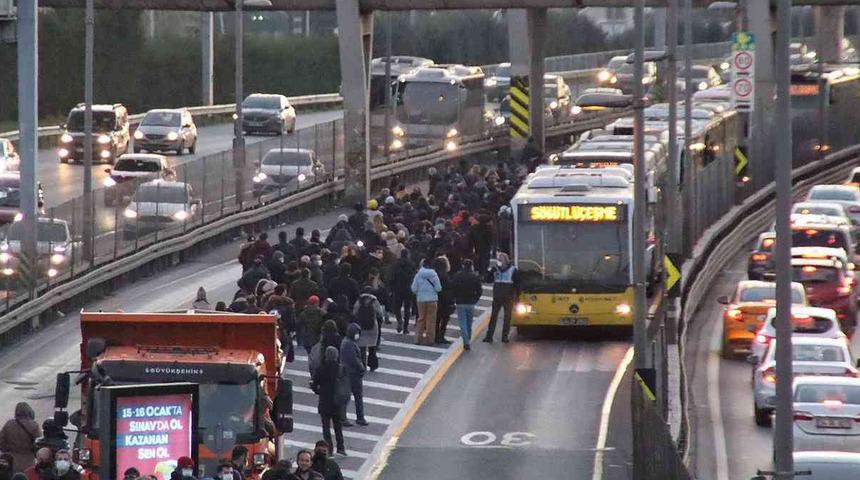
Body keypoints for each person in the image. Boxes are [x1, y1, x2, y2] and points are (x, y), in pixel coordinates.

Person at [311, 347, 346, 457]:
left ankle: (329, 449)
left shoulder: (321, 369)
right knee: (338, 426)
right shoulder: (340, 369)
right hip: (337, 402)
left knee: (326, 428)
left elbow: (314, 384)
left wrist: (319, 391)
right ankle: (341, 448)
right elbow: (345, 384)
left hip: (324, 401)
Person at [483, 252, 520, 343]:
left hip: (508, 297)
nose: (499, 262)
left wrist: (517, 297)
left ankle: (504, 337)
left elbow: (518, 284)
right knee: (494, 317)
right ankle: (489, 336)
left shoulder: (513, 270)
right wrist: (490, 274)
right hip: (497, 296)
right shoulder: (495, 269)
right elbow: (488, 279)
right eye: (498, 260)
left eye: (500, 260)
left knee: (507, 318)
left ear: (505, 261)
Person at [339, 323, 368, 427]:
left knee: (349, 396)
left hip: (350, 373)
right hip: (352, 374)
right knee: (353, 396)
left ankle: (354, 417)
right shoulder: (349, 344)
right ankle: (356, 418)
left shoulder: (347, 342)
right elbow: (354, 360)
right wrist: (362, 368)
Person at [0, 402, 41, 473]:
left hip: (11, 460)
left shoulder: (9, 424)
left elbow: (1, 441)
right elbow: (39, 444)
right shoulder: (34, 426)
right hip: (28, 461)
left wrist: (7, 450)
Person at [451, 259, 483, 350]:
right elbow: (479, 291)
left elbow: (453, 288)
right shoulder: (475, 277)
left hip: (460, 302)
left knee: (462, 323)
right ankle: (468, 338)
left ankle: (466, 341)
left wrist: (455, 298)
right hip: (471, 303)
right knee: (469, 323)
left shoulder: (457, 276)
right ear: (471, 266)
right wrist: (475, 299)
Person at [410, 256, 442, 346]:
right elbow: (438, 288)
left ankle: (417, 338)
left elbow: (413, 288)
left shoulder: (418, 275)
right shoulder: (434, 275)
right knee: (431, 320)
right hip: (432, 300)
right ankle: (430, 339)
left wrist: (419, 292)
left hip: (421, 300)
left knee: (421, 319)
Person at [353, 287, 382, 371]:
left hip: (361, 326)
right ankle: (373, 365)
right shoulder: (374, 301)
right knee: (372, 347)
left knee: (361, 347)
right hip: (372, 326)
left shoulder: (359, 300)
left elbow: (355, 312)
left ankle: (363, 364)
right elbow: (380, 313)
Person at [389, 249, 416, 335]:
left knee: (397, 307)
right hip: (408, 288)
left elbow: (392, 276)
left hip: (397, 288)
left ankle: (399, 320)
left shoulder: (396, 264)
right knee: (407, 309)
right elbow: (414, 276)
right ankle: (405, 327)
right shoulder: (411, 264)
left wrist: (391, 287)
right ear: (408, 255)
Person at [433, 256, 454, 345]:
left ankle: (435, 335)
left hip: (435, 299)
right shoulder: (445, 276)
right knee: (445, 319)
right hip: (444, 301)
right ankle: (441, 336)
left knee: (436, 319)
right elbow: (448, 289)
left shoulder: (434, 274)